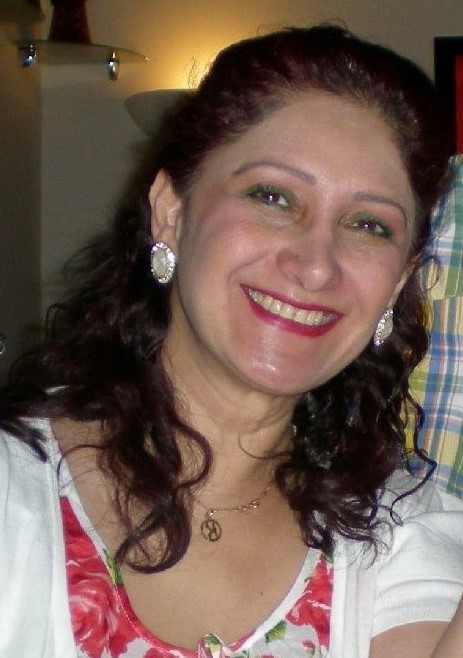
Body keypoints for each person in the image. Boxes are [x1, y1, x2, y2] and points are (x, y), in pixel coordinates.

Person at [1, 24, 463, 658]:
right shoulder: (14, 491)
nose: (316, 266)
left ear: (399, 284)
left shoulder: (400, 531)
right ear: (171, 211)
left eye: (368, 225)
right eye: (273, 196)